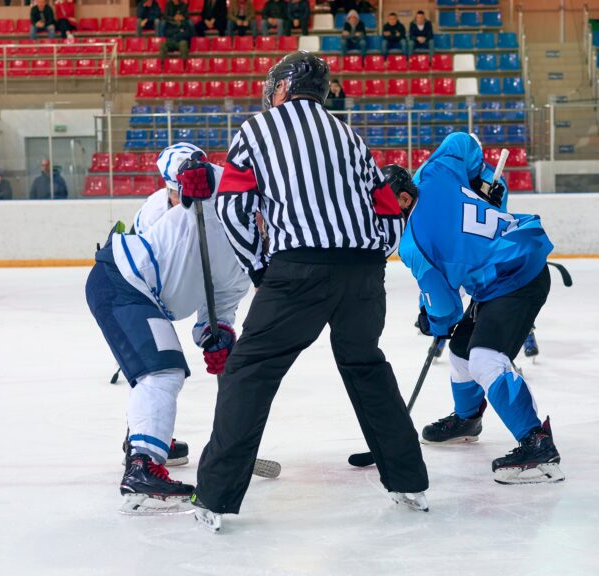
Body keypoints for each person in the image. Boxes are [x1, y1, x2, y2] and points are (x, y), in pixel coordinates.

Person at [189, 51, 429, 532]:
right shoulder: (352, 137)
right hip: (362, 273)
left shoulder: (256, 130)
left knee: (249, 372)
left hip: (297, 269)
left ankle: (214, 498)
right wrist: (369, 260)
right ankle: (409, 482)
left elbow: (233, 210)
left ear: (282, 87)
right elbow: (386, 215)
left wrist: (262, 268)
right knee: (365, 366)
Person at [85, 142, 250, 513]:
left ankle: (148, 440)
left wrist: (217, 335)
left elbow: (219, 307)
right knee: (162, 371)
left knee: (162, 369)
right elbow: (192, 168)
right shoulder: (211, 197)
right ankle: (142, 463)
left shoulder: (243, 266)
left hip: (141, 297)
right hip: (122, 283)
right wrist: (195, 174)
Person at [401, 132, 564, 485]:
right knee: (461, 350)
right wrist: (484, 182)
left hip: (515, 278)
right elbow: (463, 142)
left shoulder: (412, 243)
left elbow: (445, 310)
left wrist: (431, 320)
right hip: (513, 259)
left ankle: (537, 444)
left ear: (399, 200)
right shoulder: (433, 173)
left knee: (485, 359)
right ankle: (467, 419)